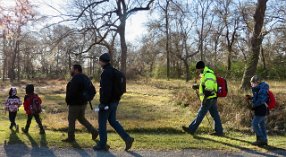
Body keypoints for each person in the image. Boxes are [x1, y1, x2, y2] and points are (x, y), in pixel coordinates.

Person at [93, 53, 134, 151]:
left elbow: (106, 90)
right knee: (112, 121)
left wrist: (103, 103)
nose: (99, 62)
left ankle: (102, 144)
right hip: (115, 101)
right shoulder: (116, 72)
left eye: (99, 60)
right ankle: (127, 138)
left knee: (102, 123)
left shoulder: (106, 73)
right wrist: (115, 100)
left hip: (107, 103)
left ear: (102, 61)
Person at [182, 61, 224, 136]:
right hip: (212, 98)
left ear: (201, 68)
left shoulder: (208, 75)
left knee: (200, 114)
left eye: (198, 69)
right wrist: (197, 87)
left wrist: (205, 99)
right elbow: (205, 86)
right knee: (215, 115)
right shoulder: (205, 74)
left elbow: (210, 88)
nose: (197, 71)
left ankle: (191, 129)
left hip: (209, 98)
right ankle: (219, 131)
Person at [63, 64, 98, 142]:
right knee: (81, 118)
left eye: (72, 69)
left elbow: (72, 92)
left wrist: (68, 101)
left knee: (71, 120)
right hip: (83, 103)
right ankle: (94, 131)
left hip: (75, 104)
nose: (71, 70)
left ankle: (71, 137)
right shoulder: (85, 77)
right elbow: (93, 90)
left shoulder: (76, 78)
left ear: (76, 70)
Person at [246, 75, 269, 146]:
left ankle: (261, 139)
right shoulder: (257, 88)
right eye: (251, 83)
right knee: (262, 125)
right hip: (260, 108)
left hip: (261, 109)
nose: (251, 84)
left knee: (254, 124)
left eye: (252, 83)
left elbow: (261, 99)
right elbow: (257, 98)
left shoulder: (262, 89)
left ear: (257, 82)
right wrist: (251, 98)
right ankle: (264, 140)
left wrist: (253, 105)